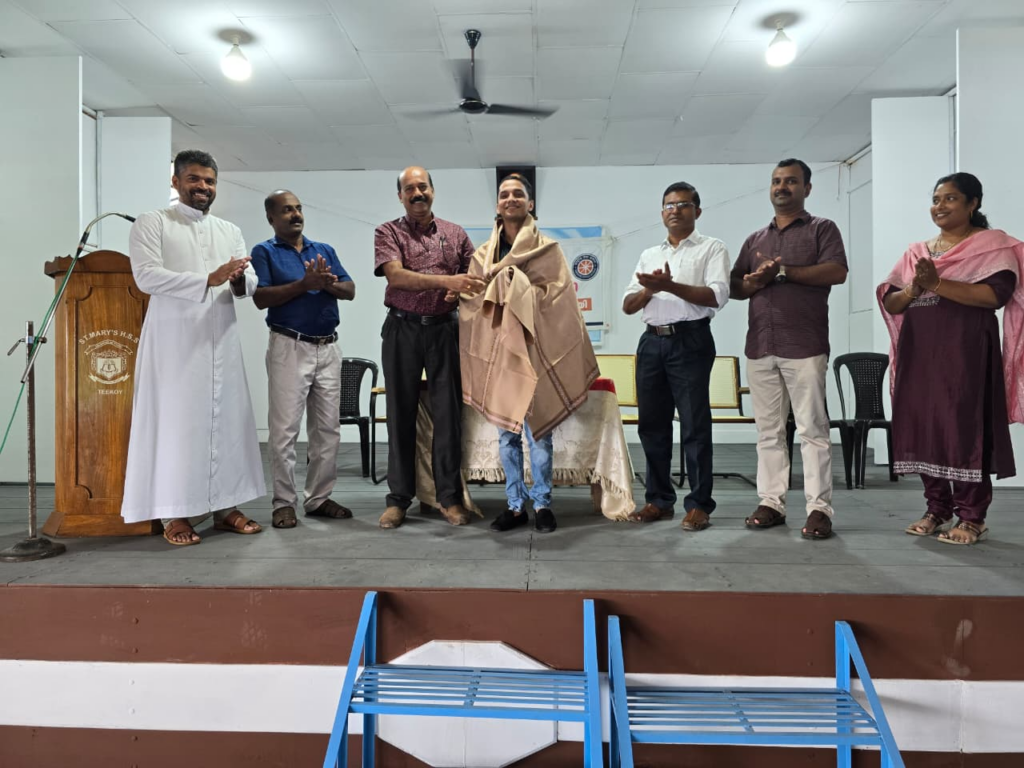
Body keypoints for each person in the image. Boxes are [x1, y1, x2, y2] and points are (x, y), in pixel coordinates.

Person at [121, 149, 265, 546]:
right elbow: (146, 277)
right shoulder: (153, 222)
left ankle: (225, 507)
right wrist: (208, 278)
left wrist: (238, 280)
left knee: (226, 423)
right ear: (176, 181)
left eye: (210, 181)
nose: (203, 186)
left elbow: (249, 282)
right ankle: (175, 513)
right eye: (194, 179)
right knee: (177, 427)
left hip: (222, 339)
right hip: (174, 344)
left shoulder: (228, 230)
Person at [878, 172, 1024, 545]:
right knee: (925, 425)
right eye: (936, 199)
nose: (940, 206)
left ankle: (972, 517)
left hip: (965, 350)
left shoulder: (992, 246)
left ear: (973, 203)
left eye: (950, 198)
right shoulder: (918, 252)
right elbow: (892, 302)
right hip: (919, 352)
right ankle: (937, 509)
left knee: (963, 426)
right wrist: (915, 287)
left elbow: (995, 296)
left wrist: (938, 283)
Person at [459, 173, 598, 534]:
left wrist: (515, 285)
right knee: (506, 434)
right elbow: (472, 300)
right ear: (497, 204)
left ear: (530, 204)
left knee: (540, 433)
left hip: (536, 351)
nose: (510, 198)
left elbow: (559, 300)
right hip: (500, 354)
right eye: (504, 194)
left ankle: (543, 504)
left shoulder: (548, 250)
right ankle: (515, 505)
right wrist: (486, 290)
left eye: (518, 194)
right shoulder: (482, 255)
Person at [730, 158, 848, 540]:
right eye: (776, 181)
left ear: (807, 188)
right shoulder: (755, 239)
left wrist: (782, 272)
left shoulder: (821, 229)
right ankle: (771, 503)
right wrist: (753, 281)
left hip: (804, 346)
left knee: (813, 429)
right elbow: (734, 286)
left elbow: (837, 271)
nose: (782, 187)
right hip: (761, 346)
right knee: (768, 432)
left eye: (791, 181)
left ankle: (819, 509)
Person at [373, 166, 485, 529]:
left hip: (445, 331)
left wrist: (460, 291)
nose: (417, 193)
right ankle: (398, 500)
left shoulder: (456, 233)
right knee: (400, 414)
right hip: (401, 329)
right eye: (409, 188)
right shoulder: (388, 231)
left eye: (422, 186)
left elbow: (474, 278)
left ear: (433, 191)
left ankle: (449, 498)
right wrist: (447, 282)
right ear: (400, 196)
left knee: (448, 417)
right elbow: (396, 276)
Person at [622, 182, 730, 532]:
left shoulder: (712, 248)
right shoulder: (649, 254)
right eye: (669, 205)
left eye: (683, 204)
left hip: (690, 340)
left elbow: (716, 296)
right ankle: (658, 500)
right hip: (651, 342)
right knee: (652, 424)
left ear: (697, 211)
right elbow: (628, 305)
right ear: (661, 213)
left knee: (694, 424)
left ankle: (699, 505)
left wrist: (669, 286)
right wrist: (650, 290)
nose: (675, 210)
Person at [250, 190, 356, 530]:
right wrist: (304, 283)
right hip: (289, 346)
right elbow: (260, 298)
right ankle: (284, 503)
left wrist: (327, 284)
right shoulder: (264, 252)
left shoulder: (323, 250)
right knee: (284, 431)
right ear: (271, 218)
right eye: (286, 210)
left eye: (298, 208)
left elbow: (350, 289)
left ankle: (319, 498)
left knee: (328, 430)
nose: (295, 214)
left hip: (328, 347)